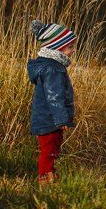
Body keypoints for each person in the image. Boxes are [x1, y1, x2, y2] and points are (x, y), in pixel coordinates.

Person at [27, 20, 76, 184]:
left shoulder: (49, 66)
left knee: (51, 149)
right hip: (49, 120)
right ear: (57, 47)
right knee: (49, 151)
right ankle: (44, 178)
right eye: (70, 47)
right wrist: (61, 119)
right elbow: (54, 96)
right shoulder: (53, 69)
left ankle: (50, 175)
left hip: (46, 118)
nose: (72, 51)